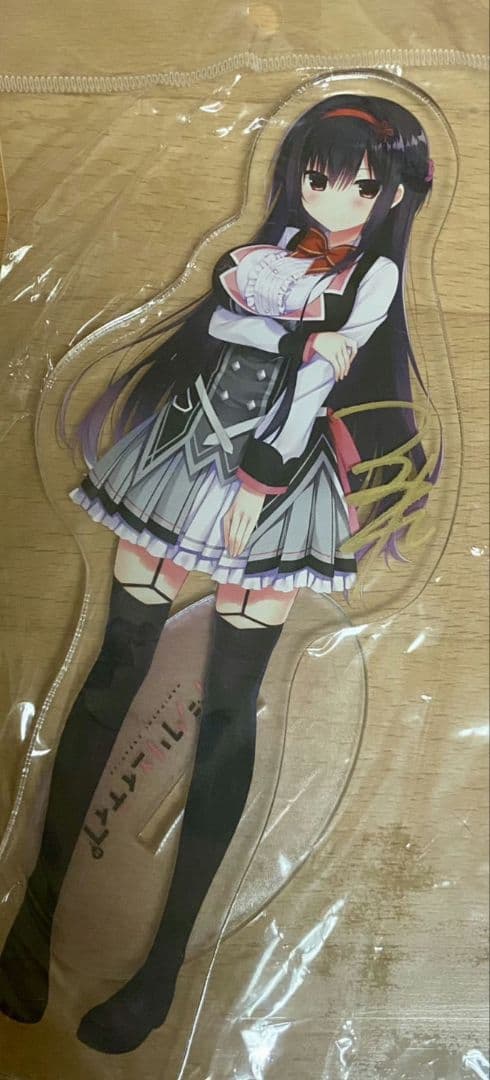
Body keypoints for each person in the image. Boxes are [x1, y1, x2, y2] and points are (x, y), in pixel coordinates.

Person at [0, 93, 435, 1054]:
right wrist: (284, 332)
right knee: (112, 672)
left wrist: (261, 477)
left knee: (230, 707)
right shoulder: (269, 249)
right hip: (186, 449)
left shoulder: (371, 277)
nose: (334, 199)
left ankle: (161, 974)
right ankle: (31, 928)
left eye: (360, 186)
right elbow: (236, 320)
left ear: (395, 193)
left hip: (272, 478)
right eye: (318, 177)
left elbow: (314, 378)